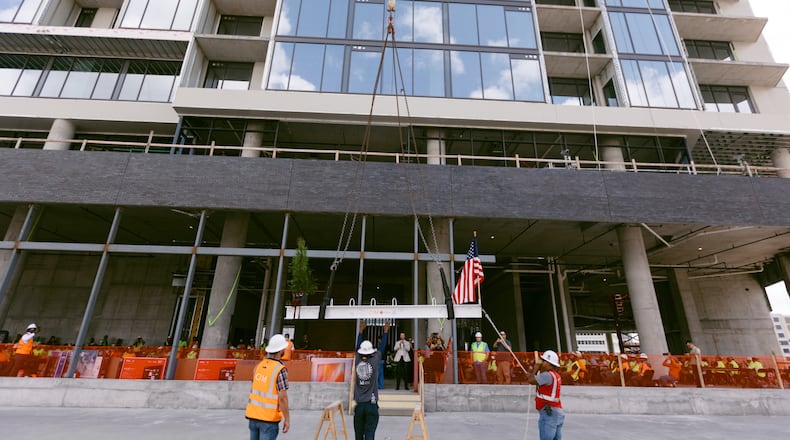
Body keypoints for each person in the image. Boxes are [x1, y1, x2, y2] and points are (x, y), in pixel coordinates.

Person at [246, 333, 290, 439]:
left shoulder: (259, 366)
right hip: (268, 420)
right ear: (280, 351)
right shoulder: (280, 369)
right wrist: (287, 419)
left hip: (253, 416)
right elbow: (282, 398)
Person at [354, 320, 390, 440]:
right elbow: (382, 347)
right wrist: (385, 331)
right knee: (370, 435)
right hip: (372, 404)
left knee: (359, 436)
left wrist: (360, 331)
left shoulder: (357, 360)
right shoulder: (375, 360)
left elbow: (358, 347)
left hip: (359, 405)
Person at [525, 350, 564, 440]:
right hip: (556, 412)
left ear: (549, 363)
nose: (542, 363)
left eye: (543, 361)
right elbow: (538, 385)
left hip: (549, 413)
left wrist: (535, 368)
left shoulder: (547, 375)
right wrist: (533, 374)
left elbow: (531, 381)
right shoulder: (555, 375)